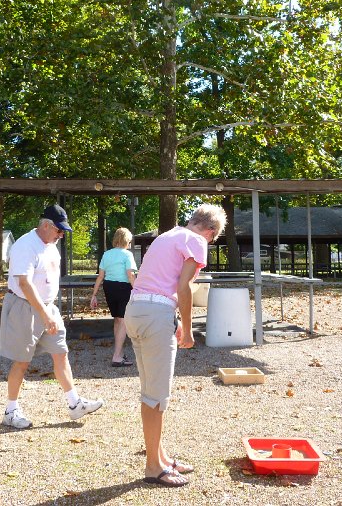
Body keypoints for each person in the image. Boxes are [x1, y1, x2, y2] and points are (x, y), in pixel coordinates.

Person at [124, 203, 226, 487]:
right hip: (156, 315)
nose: (210, 242)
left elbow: (155, 283)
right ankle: (154, 467)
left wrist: (174, 319)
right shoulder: (196, 241)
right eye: (213, 239)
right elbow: (184, 288)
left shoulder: (167, 236)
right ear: (210, 230)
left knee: (150, 392)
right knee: (157, 397)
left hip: (136, 311)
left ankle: (161, 456)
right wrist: (190, 330)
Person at [0, 204, 103, 429]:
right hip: (24, 307)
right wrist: (44, 313)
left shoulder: (51, 244)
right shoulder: (25, 246)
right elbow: (24, 284)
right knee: (22, 361)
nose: (61, 235)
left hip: (48, 308)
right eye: (59, 230)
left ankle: (74, 404)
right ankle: (10, 411)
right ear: (46, 225)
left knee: (61, 353)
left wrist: (49, 310)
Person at [90, 227, 138, 367]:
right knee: (123, 321)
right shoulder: (127, 255)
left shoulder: (106, 254)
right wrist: (138, 291)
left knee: (118, 320)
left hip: (109, 287)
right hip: (123, 288)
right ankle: (117, 356)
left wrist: (94, 295)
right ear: (126, 240)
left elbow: (100, 277)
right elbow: (130, 275)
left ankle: (120, 352)